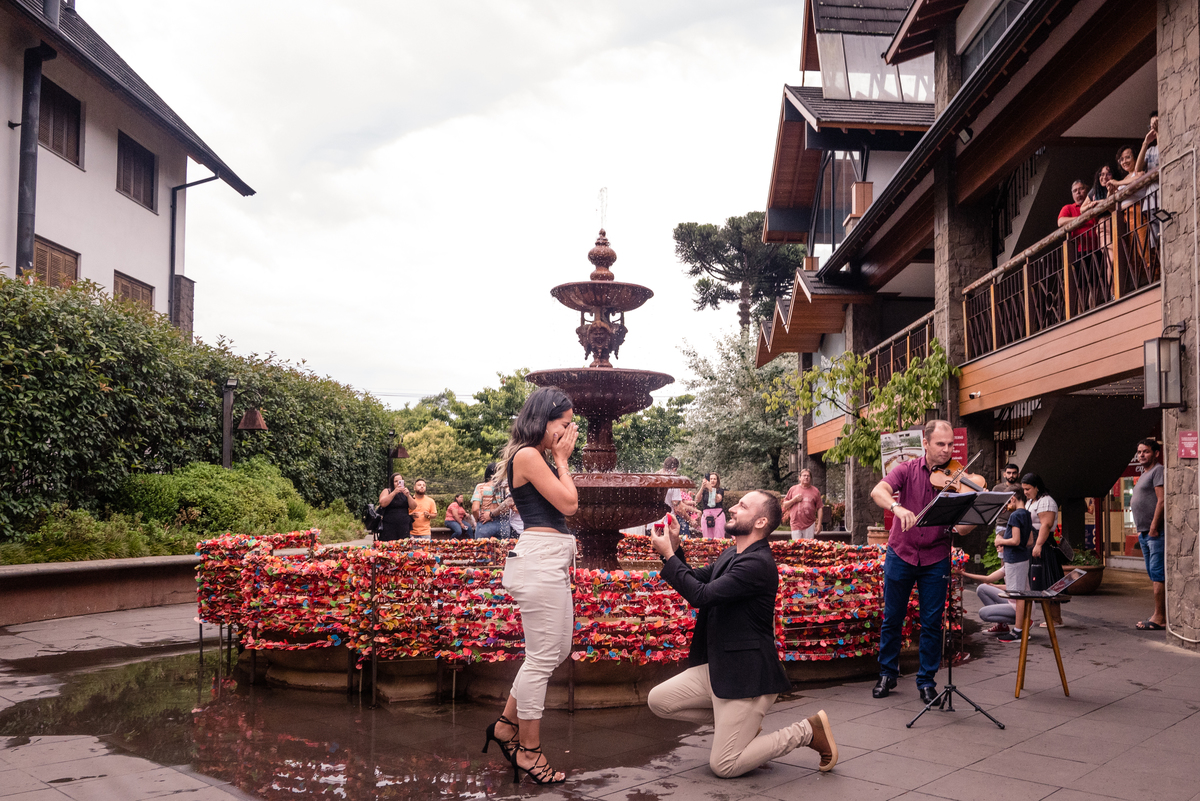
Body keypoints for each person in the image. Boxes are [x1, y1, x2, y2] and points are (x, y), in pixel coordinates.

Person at [646, 491, 838, 777]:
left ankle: (807, 731)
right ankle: (741, 728)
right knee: (659, 700)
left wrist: (669, 555)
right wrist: (675, 549)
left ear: (760, 522)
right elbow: (696, 580)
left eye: (742, 506)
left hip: (747, 676)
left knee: (724, 766)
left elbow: (701, 596)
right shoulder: (733, 554)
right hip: (721, 669)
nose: (733, 508)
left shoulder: (757, 564)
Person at [483, 387, 578, 786]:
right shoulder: (528, 456)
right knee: (541, 659)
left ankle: (506, 725)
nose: (569, 432)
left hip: (548, 560)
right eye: (564, 424)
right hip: (539, 561)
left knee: (556, 651)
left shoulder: (535, 455)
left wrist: (557, 459)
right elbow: (569, 504)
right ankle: (528, 750)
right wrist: (562, 461)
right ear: (544, 419)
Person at [868, 419, 972, 704]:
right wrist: (897, 507)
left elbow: (963, 529)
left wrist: (971, 519)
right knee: (893, 617)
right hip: (901, 552)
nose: (947, 450)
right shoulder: (907, 469)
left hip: (936, 557)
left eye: (950, 444)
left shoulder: (958, 476)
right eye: (940, 444)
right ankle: (887, 673)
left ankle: (926, 681)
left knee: (932, 623)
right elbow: (878, 491)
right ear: (925, 443)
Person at [1131, 438, 1165, 630]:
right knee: (1153, 574)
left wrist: (1153, 527)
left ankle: (1159, 617)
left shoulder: (1158, 471)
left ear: (1156, 453)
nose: (1141, 455)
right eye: (1139, 452)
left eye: (1146, 451)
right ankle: (1159, 614)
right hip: (1144, 533)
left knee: (1158, 574)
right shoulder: (1144, 474)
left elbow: (1161, 500)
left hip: (1155, 533)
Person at [1023, 472, 1064, 627]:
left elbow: (1046, 525)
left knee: (1049, 580)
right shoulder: (1031, 502)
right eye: (1024, 489)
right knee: (1039, 581)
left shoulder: (1046, 501)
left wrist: (1039, 545)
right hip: (1033, 543)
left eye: (1028, 489)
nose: (1025, 492)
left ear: (1037, 487)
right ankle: (1050, 618)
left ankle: (1055, 619)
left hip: (1043, 544)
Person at [782, 468, 823, 540]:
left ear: (811, 478)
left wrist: (819, 524)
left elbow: (820, 508)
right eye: (804, 475)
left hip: (810, 524)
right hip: (795, 524)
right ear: (799, 478)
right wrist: (794, 500)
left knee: (809, 545)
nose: (806, 477)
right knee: (796, 545)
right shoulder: (793, 489)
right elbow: (785, 505)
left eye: (808, 476)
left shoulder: (815, 491)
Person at [473, 463, 511, 539]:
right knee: (503, 546)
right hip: (503, 524)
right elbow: (509, 504)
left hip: (485, 523)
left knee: (482, 546)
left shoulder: (481, 487)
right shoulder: (506, 487)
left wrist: (478, 519)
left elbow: (475, 509)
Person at [377, 473, 415, 542]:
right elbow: (382, 503)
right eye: (395, 481)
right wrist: (394, 492)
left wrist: (408, 495)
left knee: (403, 544)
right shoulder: (387, 491)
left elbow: (413, 506)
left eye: (400, 481)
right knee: (389, 545)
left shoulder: (405, 492)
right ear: (392, 483)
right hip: (389, 525)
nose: (398, 483)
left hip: (403, 525)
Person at [697, 473, 726, 539]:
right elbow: (697, 499)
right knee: (706, 538)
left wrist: (711, 489)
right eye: (711, 479)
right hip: (706, 516)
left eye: (714, 479)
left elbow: (717, 499)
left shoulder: (720, 490)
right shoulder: (704, 491)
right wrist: (702, 487)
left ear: (717, 481)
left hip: (718, 516)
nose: (712, 481)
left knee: (719, 537)